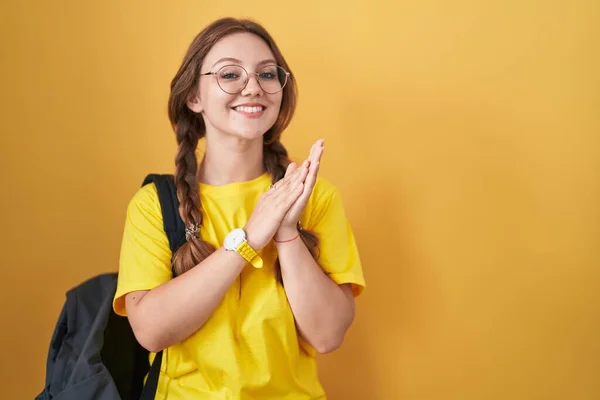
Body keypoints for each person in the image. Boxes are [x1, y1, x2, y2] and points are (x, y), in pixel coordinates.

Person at [112, 17, 366, 399]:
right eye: (230, 74)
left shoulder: (315, 197)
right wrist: (246, 240)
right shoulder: (154, 205)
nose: (253, 87)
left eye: (267, 74)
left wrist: (286, 232)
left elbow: (328, 335)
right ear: (193, 97)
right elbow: (150, 332)